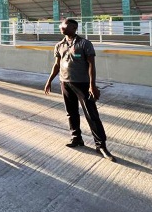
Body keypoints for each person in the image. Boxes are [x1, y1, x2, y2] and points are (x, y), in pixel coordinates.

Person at [44, 18, 116, 162]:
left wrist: (92, 85)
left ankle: (101, 145)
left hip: (82, 84)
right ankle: (76, 138)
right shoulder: (59, 45)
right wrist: (49, 81)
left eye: (65, 25)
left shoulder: (85, 44)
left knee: (92, 115)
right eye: (61, 25)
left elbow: (91, 65)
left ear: (73, 27)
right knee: (71, 113)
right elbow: (57, 65)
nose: (61, 26)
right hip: (65, 83)